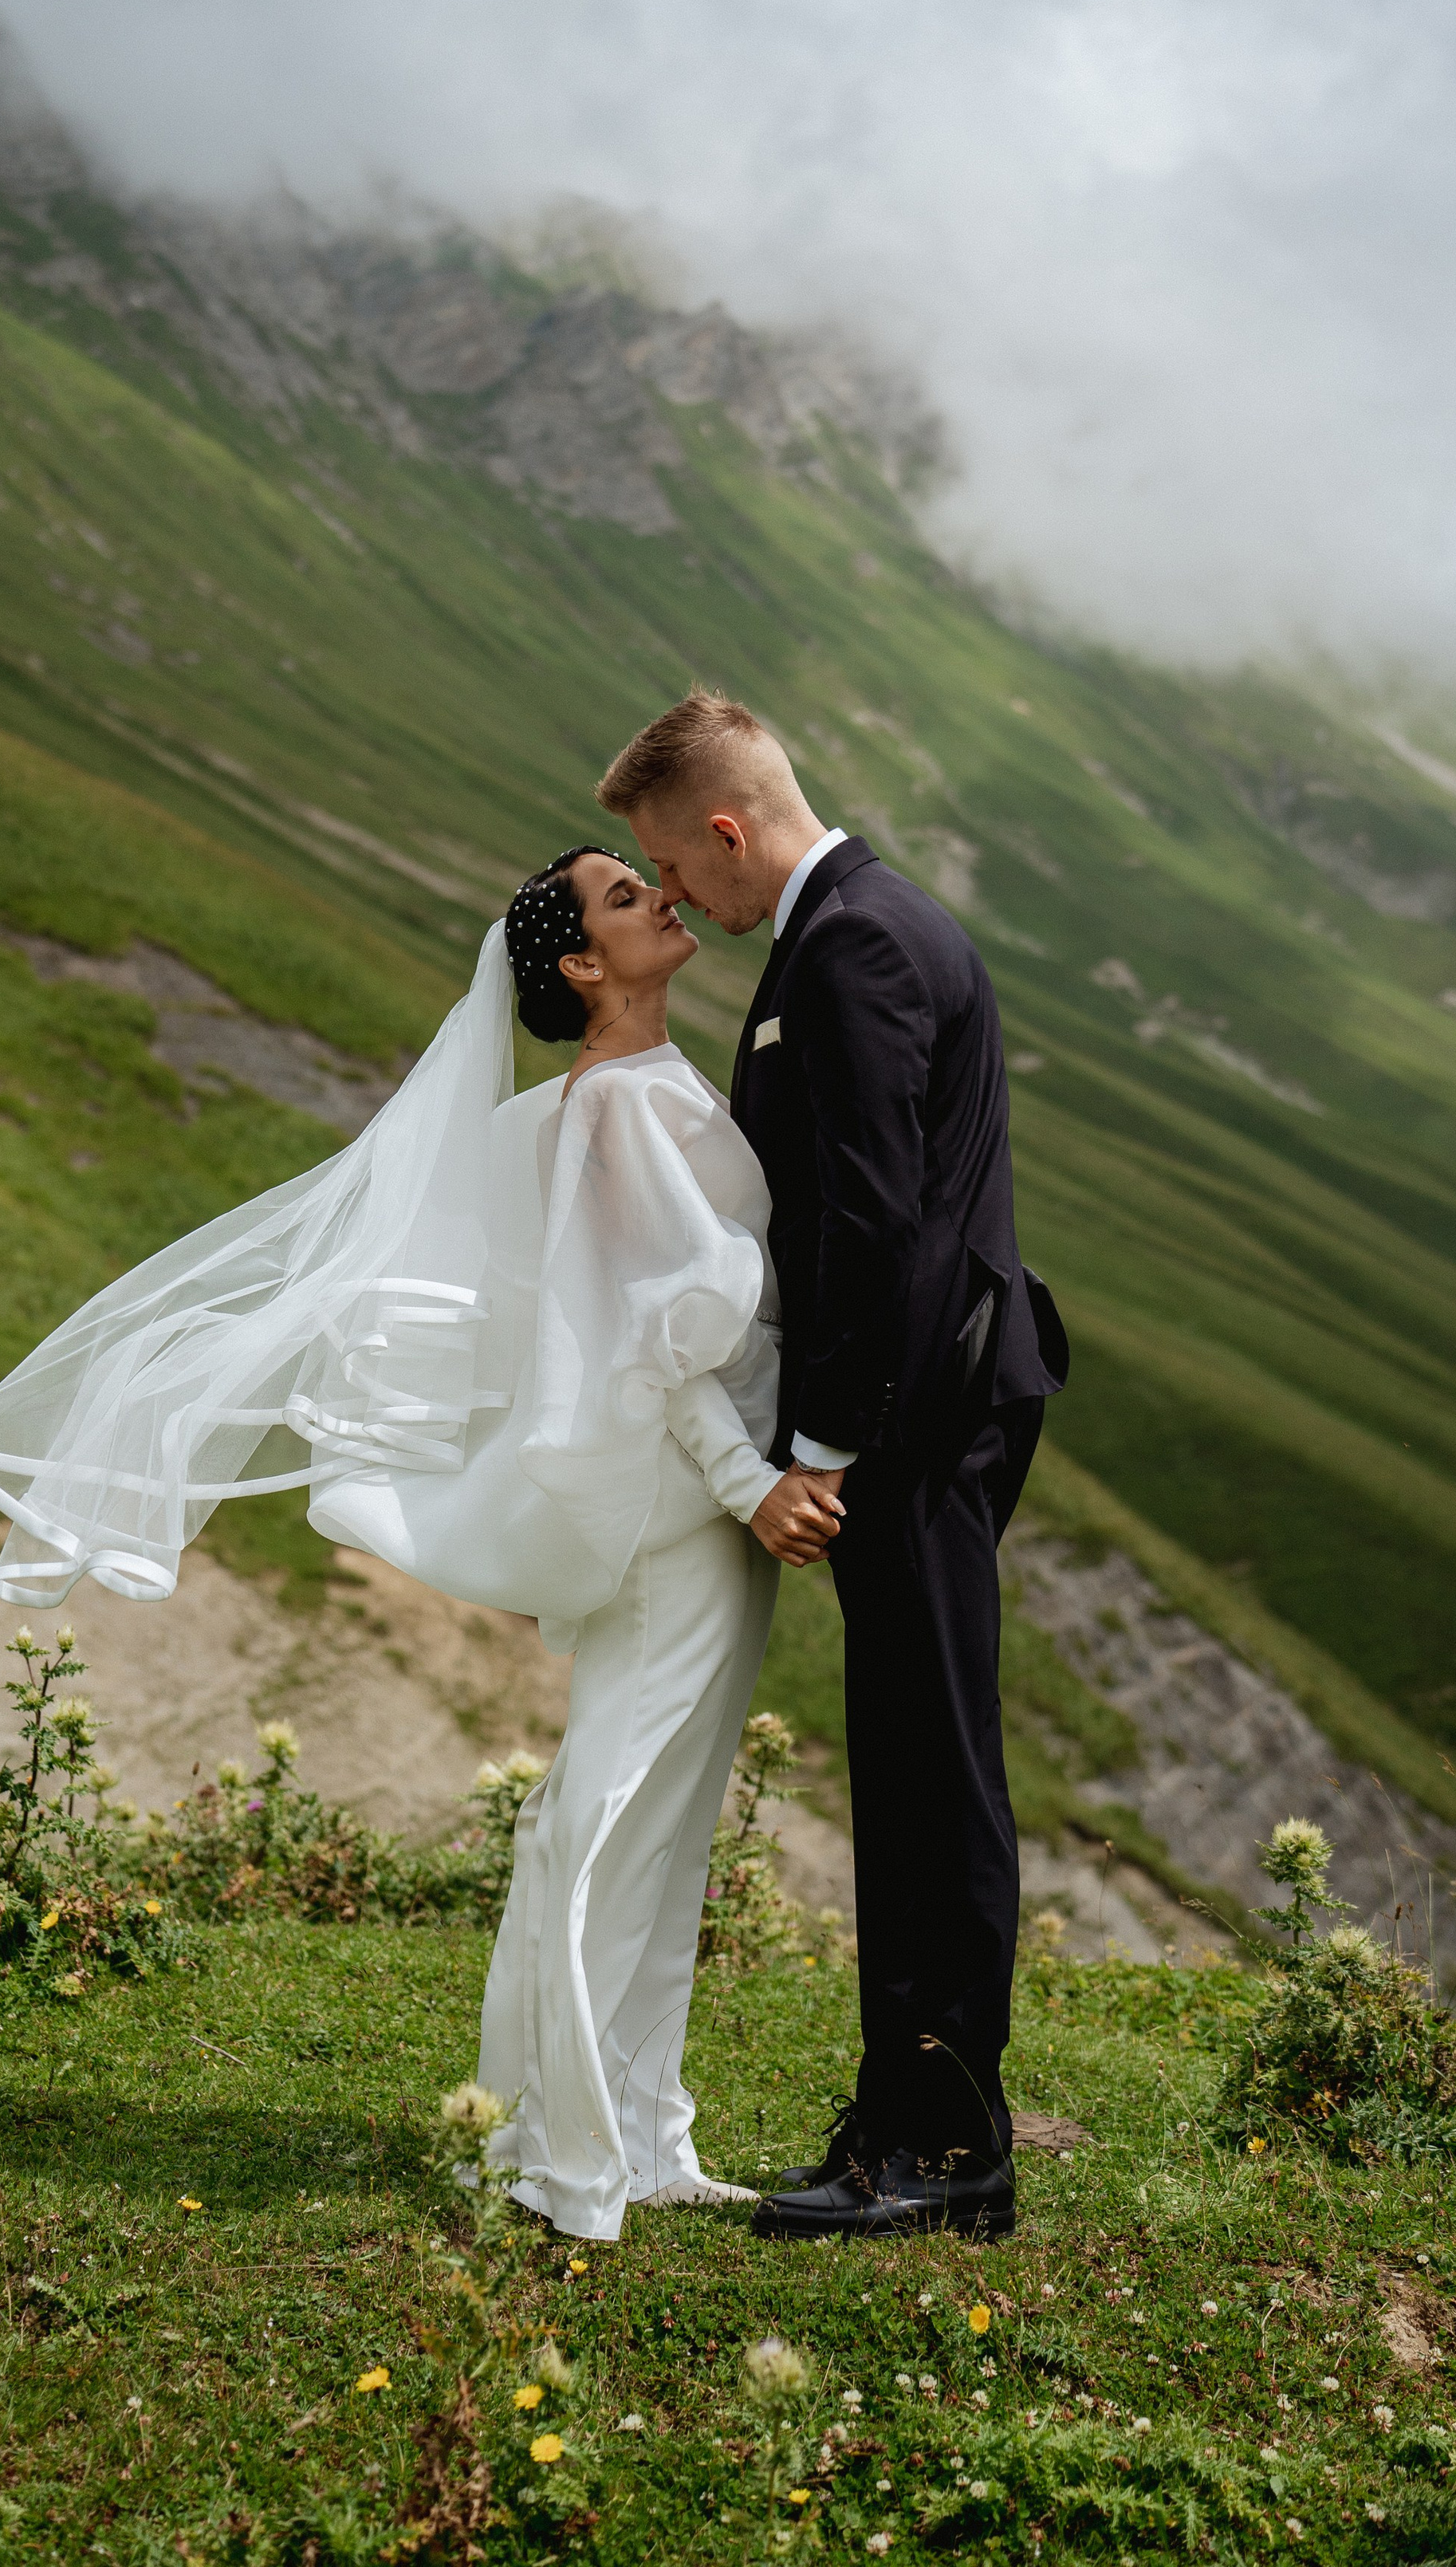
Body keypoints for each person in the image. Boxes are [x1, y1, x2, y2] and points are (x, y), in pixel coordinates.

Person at [0, 845, 836, 2242]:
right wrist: (747, 1486)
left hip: (705, 1507)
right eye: (622, 898)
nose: (661, 897)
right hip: (686, 1510)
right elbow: (651, 1348)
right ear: (581, 969)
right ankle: (562, 2159)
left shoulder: (650, 1092)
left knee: (663, 1825)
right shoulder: (608, 1111)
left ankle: (642, 2134)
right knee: (606, 1821)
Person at [597, 691, 1068, 2243]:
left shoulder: (853, 948)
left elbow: (874, 1229)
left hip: (913, 1428)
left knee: (932, 1771)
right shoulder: (853, 930)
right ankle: (898, 2115)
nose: (671, 902)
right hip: (920, 1413)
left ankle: (943, 2146)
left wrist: (812, 1452)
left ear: (725, 831)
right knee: (909, 1760)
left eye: (671, 868)